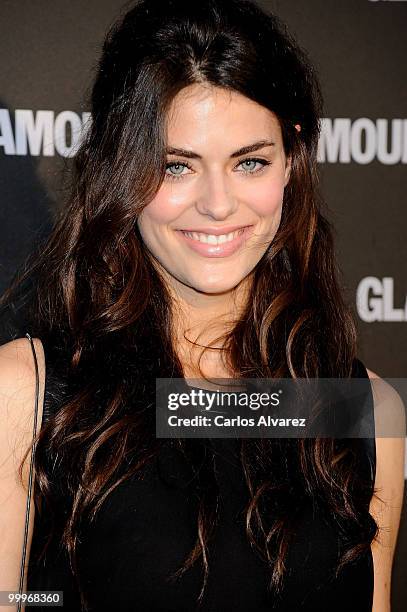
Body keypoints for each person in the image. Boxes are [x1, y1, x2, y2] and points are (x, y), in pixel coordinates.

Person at [0, 0, 404, 610]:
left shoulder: (361, 412)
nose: (218, 205)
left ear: (291, 162)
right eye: (176, 166)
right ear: (121, 170)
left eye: (250, 162)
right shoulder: (27, 395)